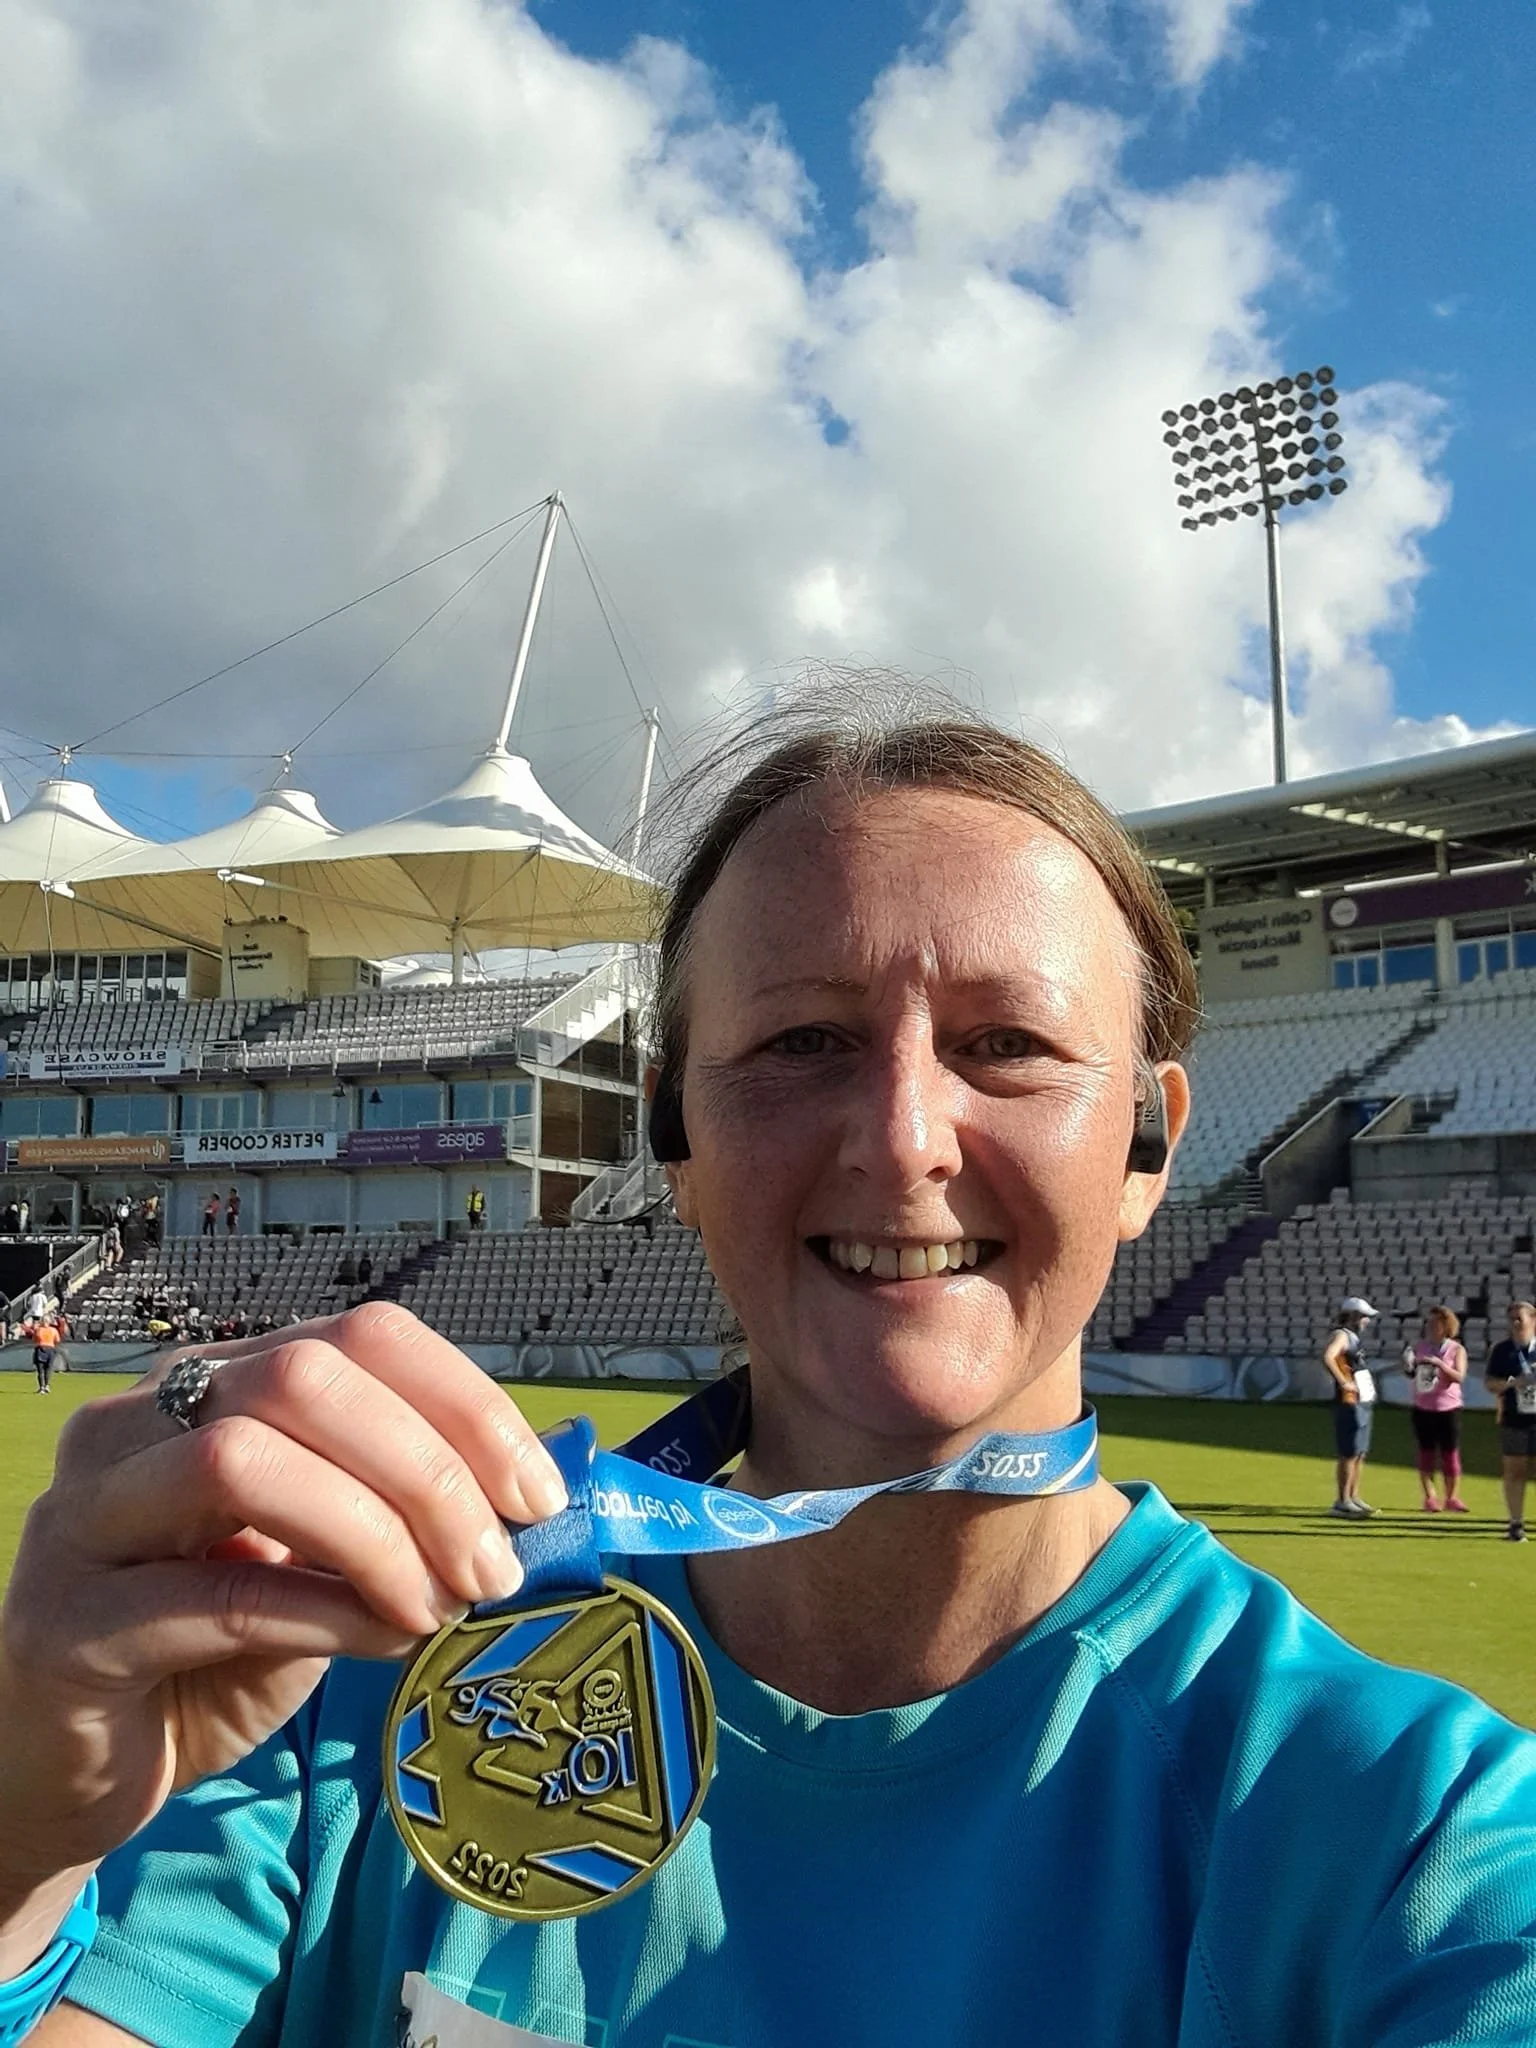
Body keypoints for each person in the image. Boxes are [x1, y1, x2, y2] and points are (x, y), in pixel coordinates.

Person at [3, 704, 1536, 2048]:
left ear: (1149, 1142)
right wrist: (23, 1837)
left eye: (1007, 1041)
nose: (904, 1136)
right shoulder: (358, 1690)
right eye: (803, 1040)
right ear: (672, 1134)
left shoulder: (1413, 1838)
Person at [1398, 1305, 1470, 1512]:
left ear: (1445, 1325)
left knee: (1450, 1455)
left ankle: (1452, 1497)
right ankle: (1430, 1497)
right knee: (1426, 1454)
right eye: (1428, 1323)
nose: (1429, 1326)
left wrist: (1441, 1365)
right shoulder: (1420, 1347)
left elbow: (1459, 1376)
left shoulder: (1456, 1349)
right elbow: (1413, 1374)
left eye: (1434, 1323)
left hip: (1449, 1407)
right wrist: (1408, 1367)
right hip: (1423, 1407)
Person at [1322, 1295, 1380, 1518]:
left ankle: (1353, 1496)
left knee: (1360, 1451)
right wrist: (1343, 1381)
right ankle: (1342, 1500)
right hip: (1349, 1399)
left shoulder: (1353, 1338)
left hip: (1362, 1397)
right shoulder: (1341, 1336)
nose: (1367, 1321)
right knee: (1349, 1451)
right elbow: (1328, 1357)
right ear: (1354, 1317)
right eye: (1364, 1317)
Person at [1485, 1299, 1536, 1543]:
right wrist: (1514, 1383)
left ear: (1533, 1320)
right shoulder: (1502, 1350)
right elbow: (1490, 1384)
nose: (1515, 1323)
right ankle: (1516, 1523)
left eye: (1520, 1318)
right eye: (1512, 1319)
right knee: (1514, 1471)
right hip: (1514, 1419)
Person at [30, 1317, 58, 1394]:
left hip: (41, 1349)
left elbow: (34, 1340)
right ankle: (46, 1386)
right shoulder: (53, 1330)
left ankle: (42, 1387)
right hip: (50, 1349)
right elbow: (57, 1340)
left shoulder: (39, 1330)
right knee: (48, 1369)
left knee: (40, 1370)